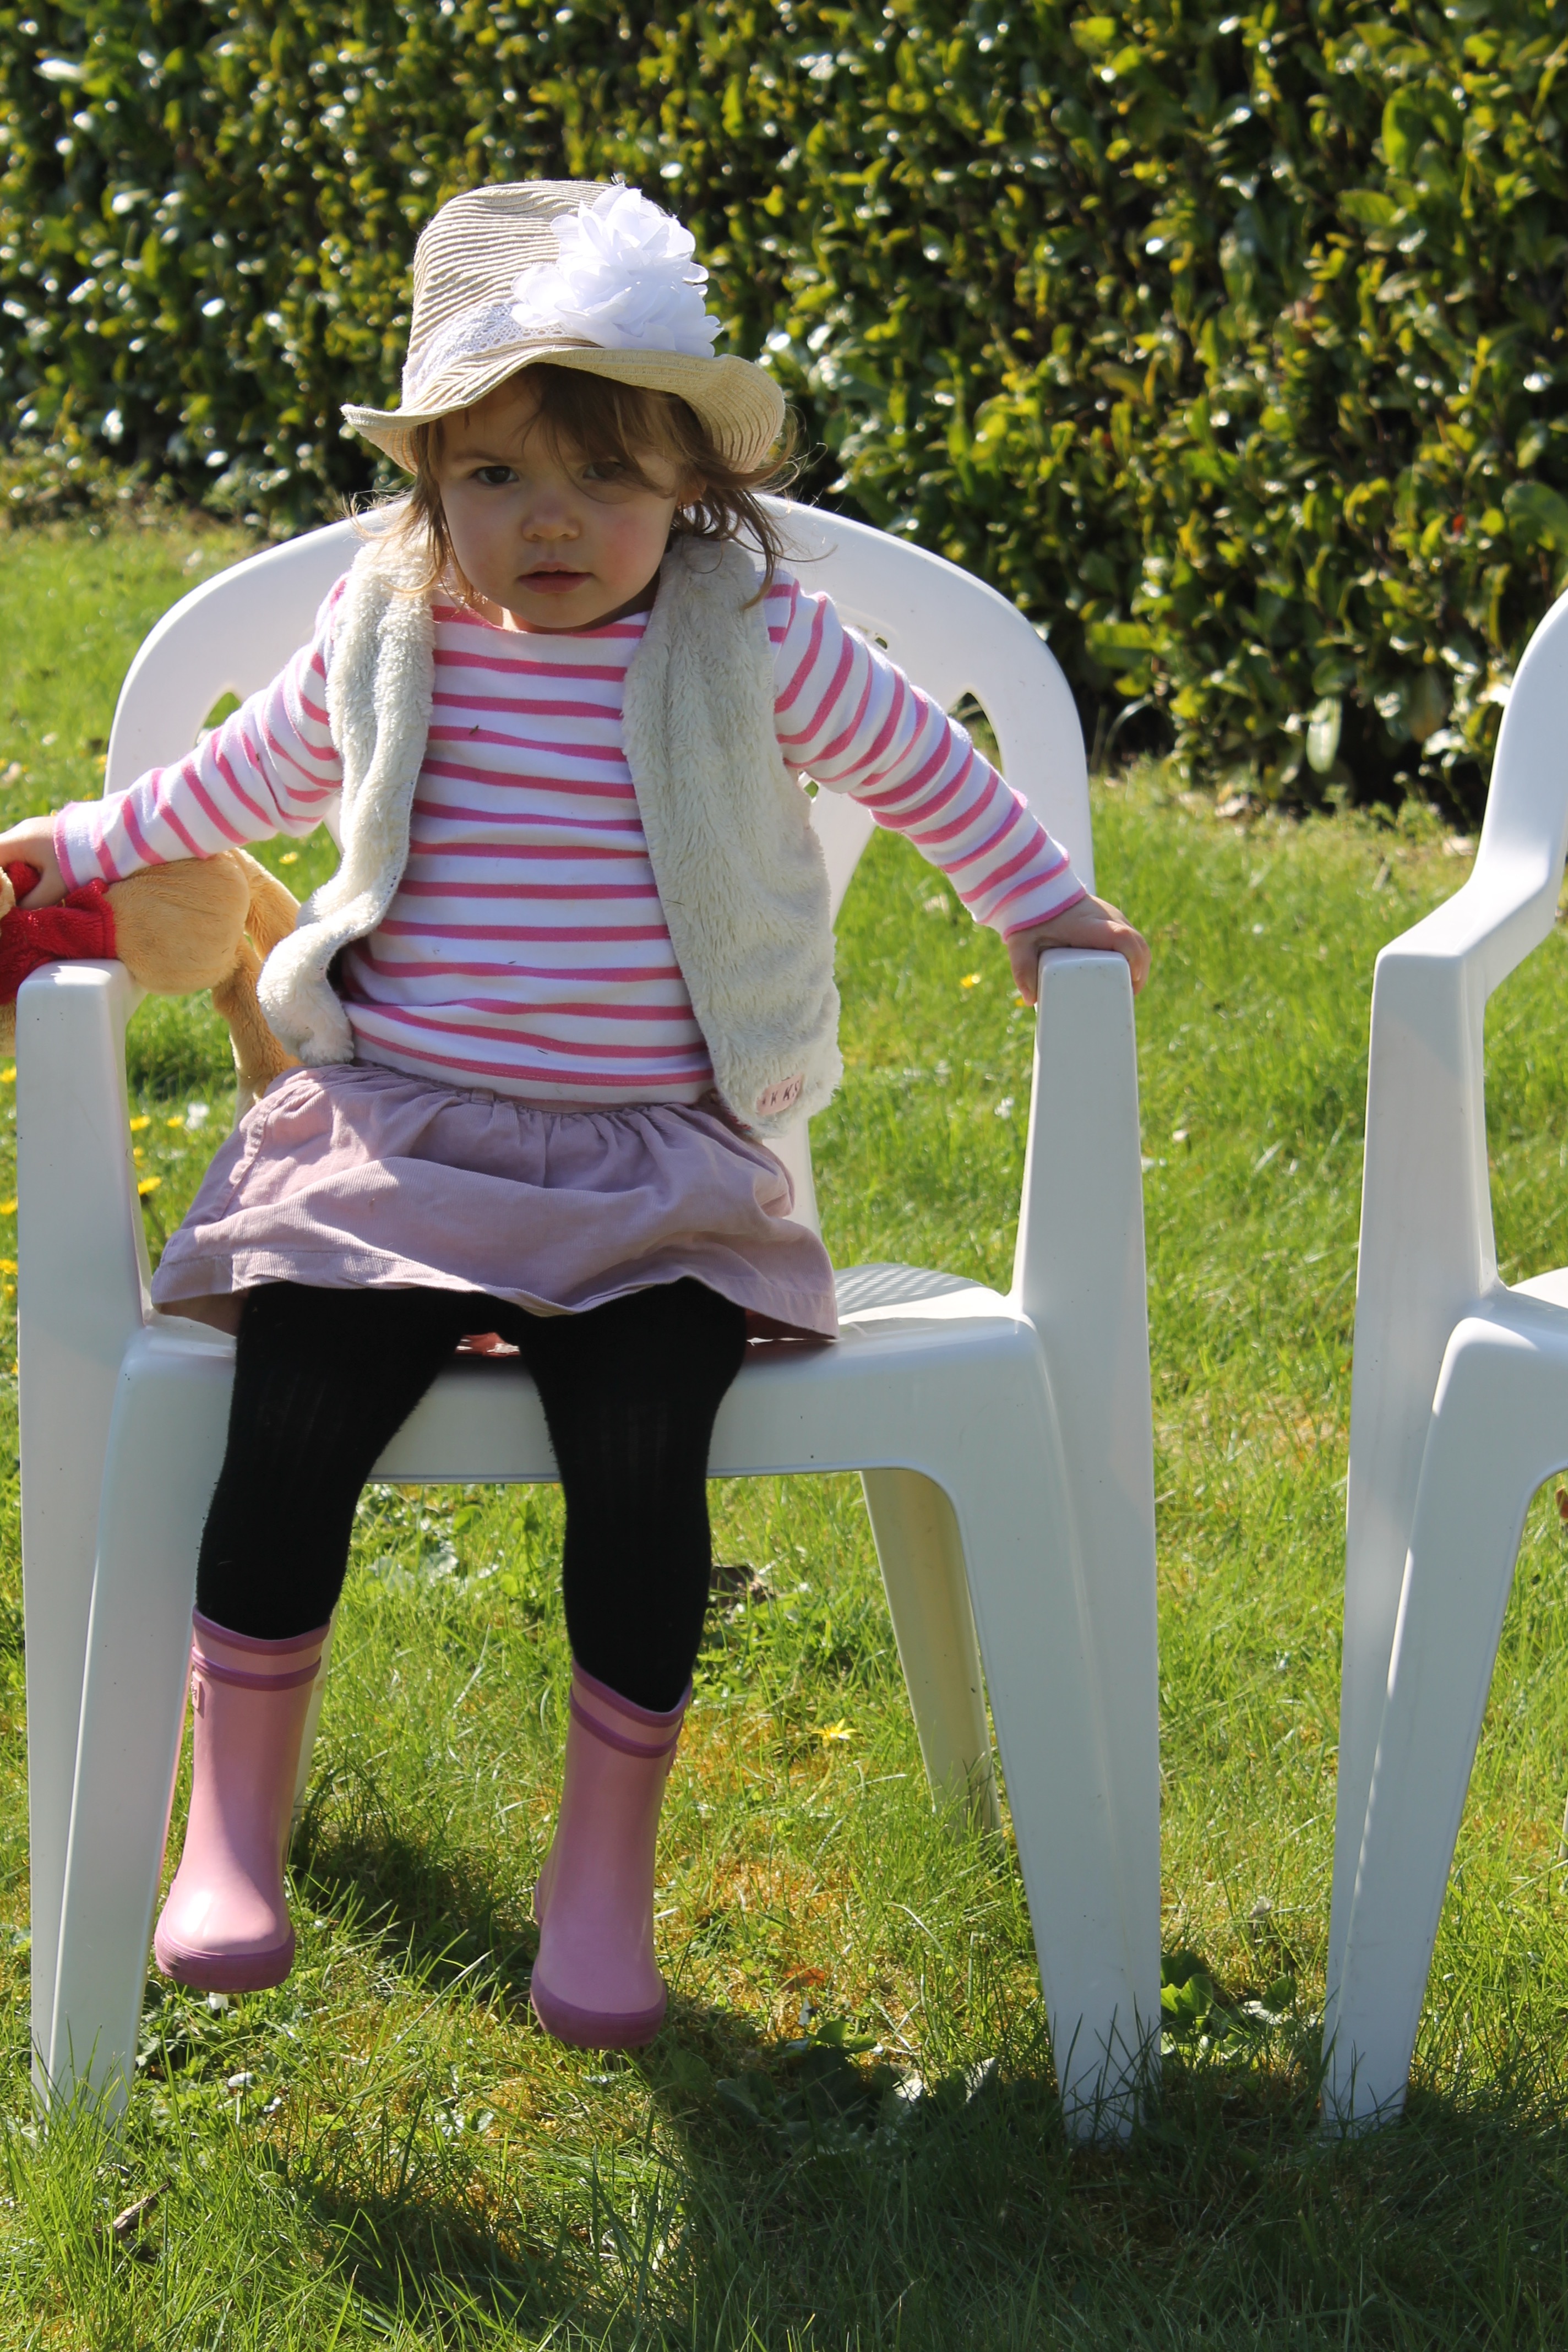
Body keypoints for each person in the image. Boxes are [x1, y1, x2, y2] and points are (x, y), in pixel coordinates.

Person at [2, 180, 1150, 2049]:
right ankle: (231, 1831)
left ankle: (600, 1880)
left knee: (642, 1447)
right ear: (429, 484)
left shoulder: (750, 639)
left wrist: (1043, 910)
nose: (552, 520)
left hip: (649, 1165)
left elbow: (926, 767)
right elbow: (235, 779)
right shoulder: (390, 633)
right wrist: (68, 846)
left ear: (694, 484)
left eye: (606, 476)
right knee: (296, 1400)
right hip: (399, 1145)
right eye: (498, 476)